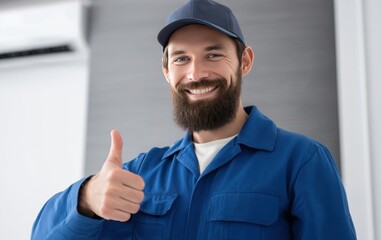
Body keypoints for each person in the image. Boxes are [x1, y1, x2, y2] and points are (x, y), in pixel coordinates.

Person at [31, 0, 356, 239]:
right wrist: (87, 197)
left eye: (214, 55)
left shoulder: (301, 160)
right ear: (166, 72)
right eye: (181, 59)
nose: (196, 73)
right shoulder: (143, 172)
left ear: (244, 61)